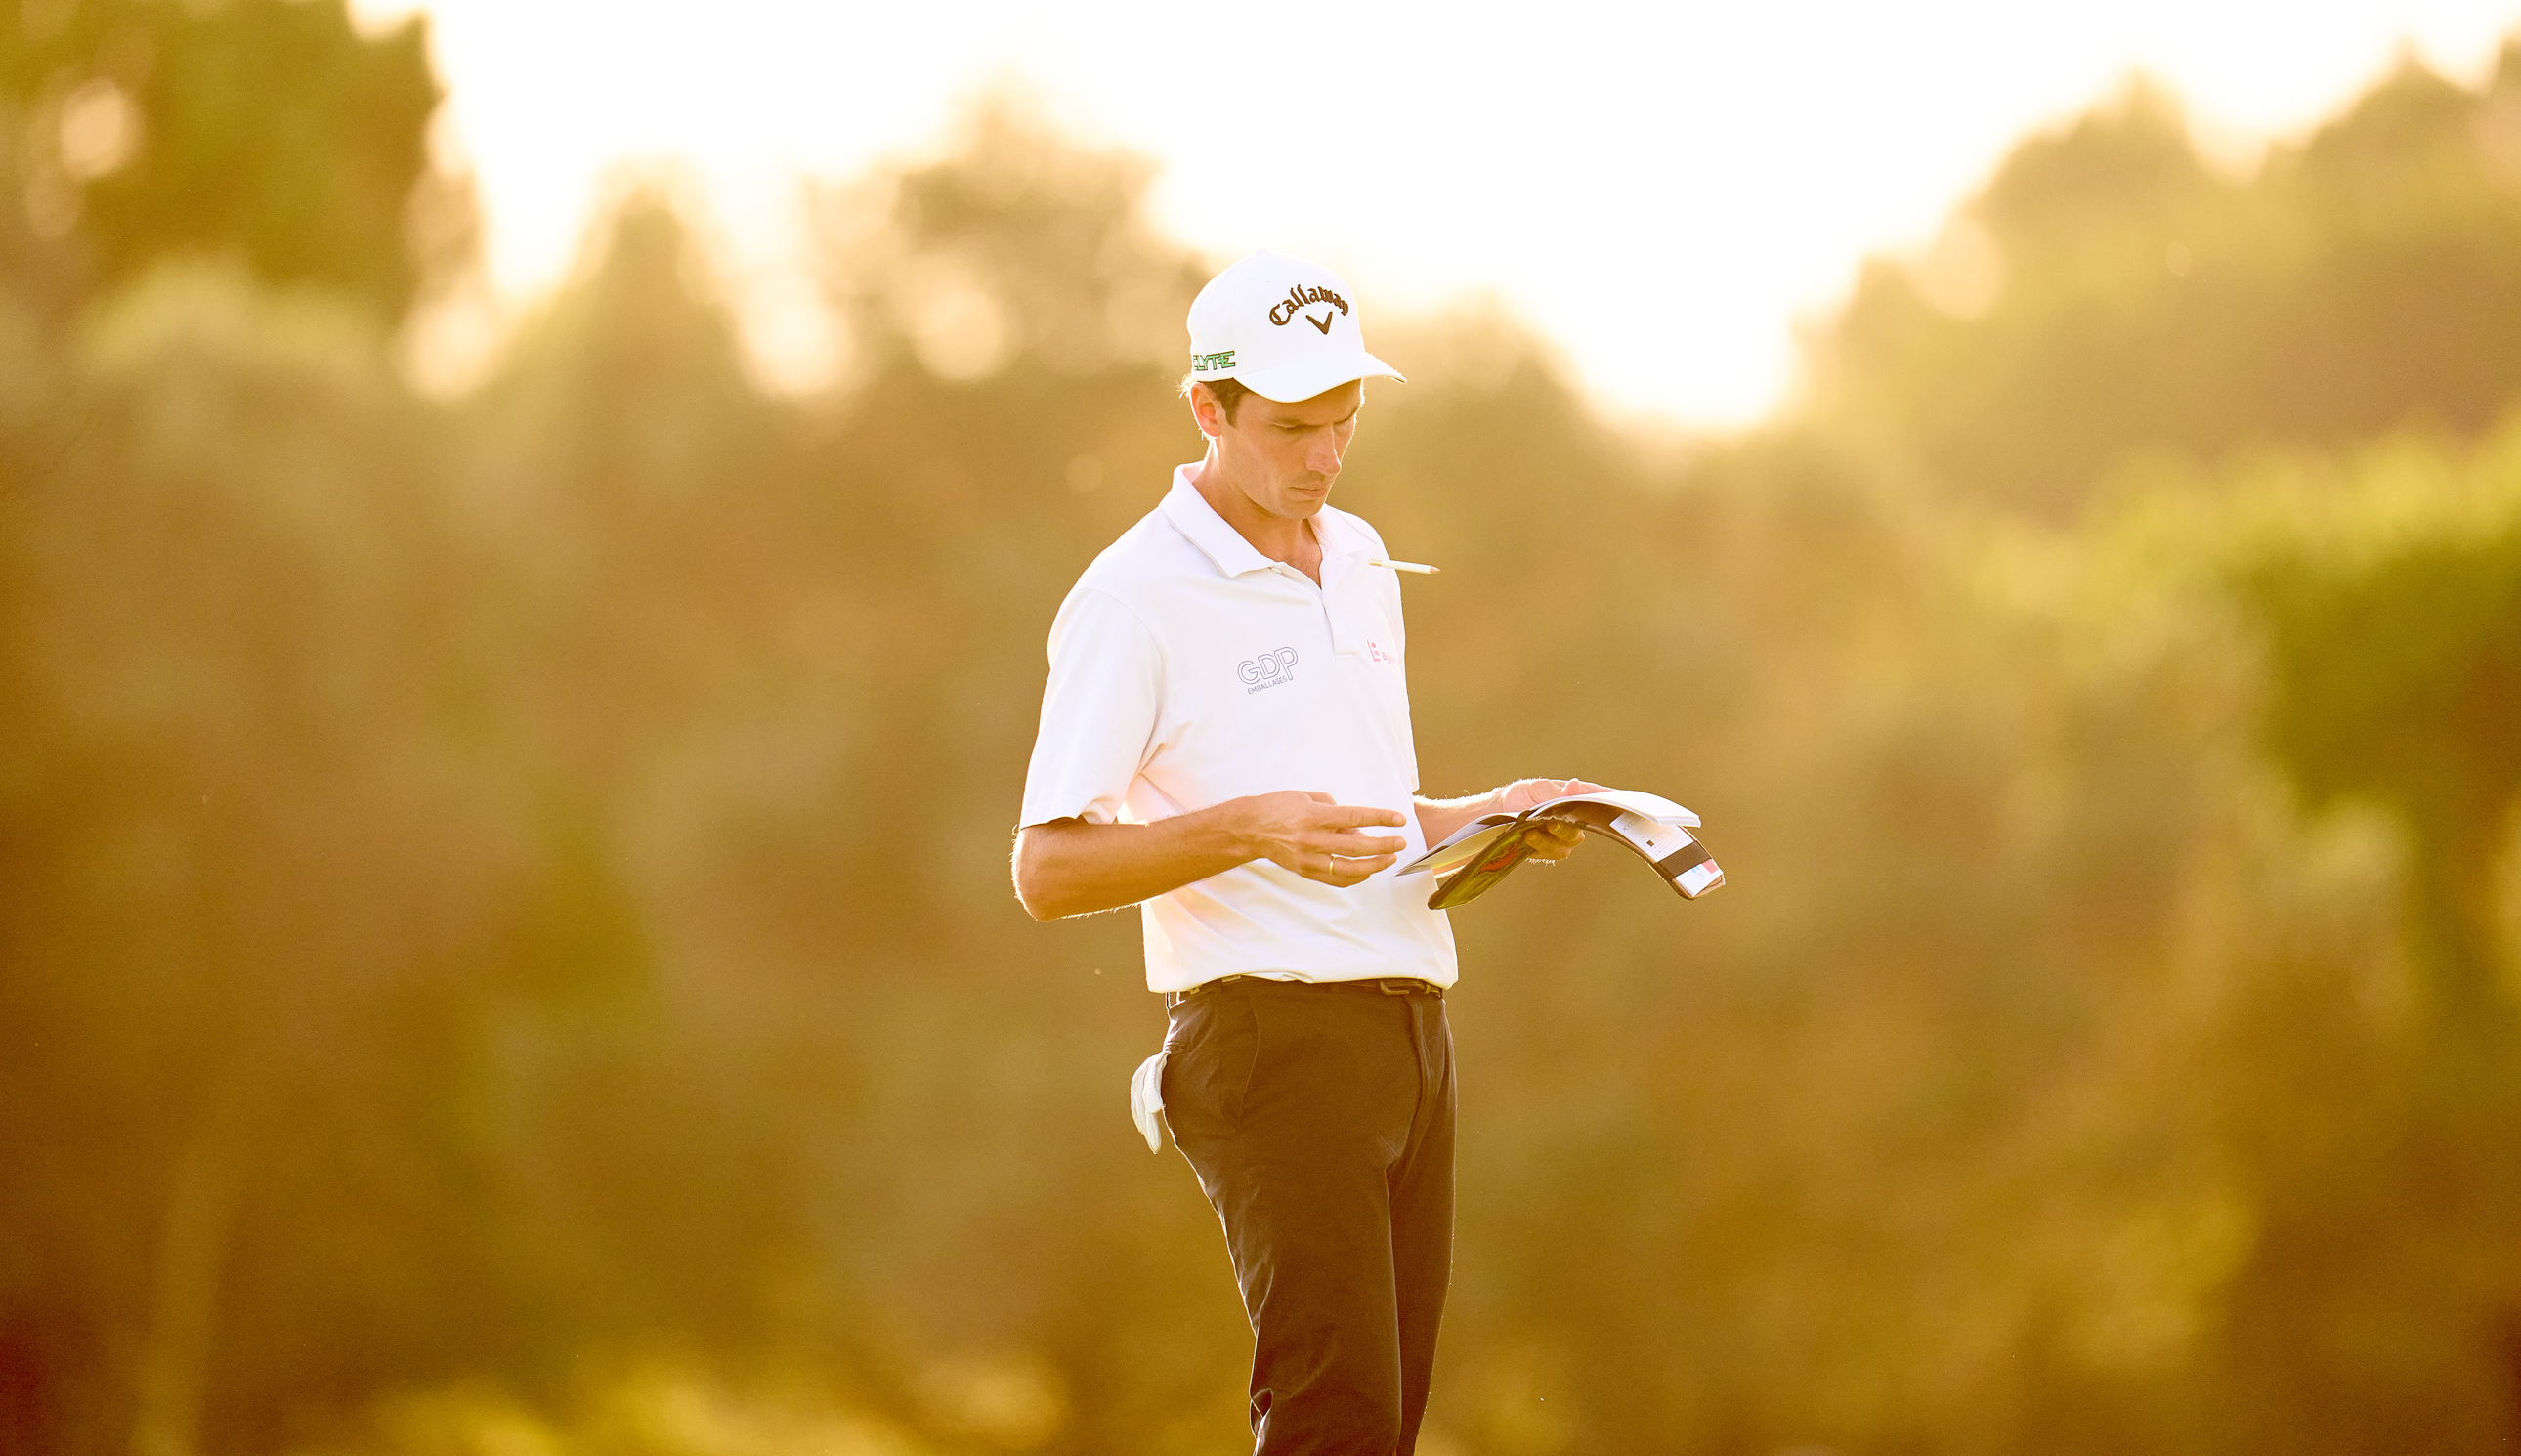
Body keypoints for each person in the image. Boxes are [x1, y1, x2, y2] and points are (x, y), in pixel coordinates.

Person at [1011, 249, 1596, 1454]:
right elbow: (1048, 866)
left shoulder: (1363, 557)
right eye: (1291, 427)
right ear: (1207, 410)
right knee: (1334, 1420)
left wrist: (1493, 811)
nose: (1324, 457)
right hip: (1268, 1040)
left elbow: (1363, 808)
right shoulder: (1135, 599)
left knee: (1383, 1426)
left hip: (1408, 1028)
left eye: (1345, 421)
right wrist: (1247, 826)